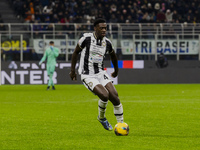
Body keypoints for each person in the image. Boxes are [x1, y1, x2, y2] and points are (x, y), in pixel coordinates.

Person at [69, 18, 124, 131]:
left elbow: (113, 56)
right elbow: (75, 53)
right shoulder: (86, 39)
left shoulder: (107, 43)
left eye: (105, 28)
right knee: (104, 95)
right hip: (87, 74)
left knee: (115, 97)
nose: (104, 30)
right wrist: (72, 71)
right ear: (95, 28)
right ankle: (101, 118)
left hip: (100, 73)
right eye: (101, 28)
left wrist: (116, 70)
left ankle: (121, 125)